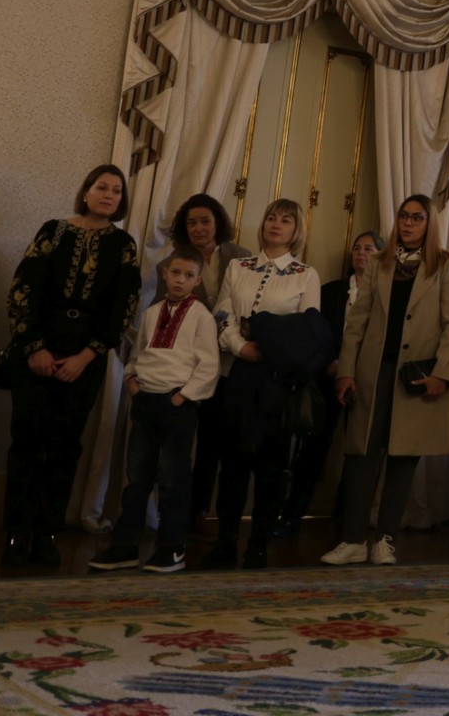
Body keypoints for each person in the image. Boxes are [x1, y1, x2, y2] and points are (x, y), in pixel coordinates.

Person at [0, 163, 142, 570]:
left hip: (85, 360)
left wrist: (85, 357)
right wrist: (35, 348)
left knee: (65, 446)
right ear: (85, 192)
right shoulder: (53, 231)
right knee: (26, 443)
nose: (108, 195)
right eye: (102, 187)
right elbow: (23, 289)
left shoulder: (125, 246)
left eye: (116, 191)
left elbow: (123, 309)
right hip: (36, 353)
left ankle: (46, 533)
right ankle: (15, 533)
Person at [323, 194, 449, 567]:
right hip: (373, 373)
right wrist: (347, 372)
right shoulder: (378, 263)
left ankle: (386, 539)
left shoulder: (445, 266)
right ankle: (353, 539)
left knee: (403, 460)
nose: (408, 223)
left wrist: (441, 374)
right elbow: (357, 322)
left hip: (416, 378)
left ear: (429, 223)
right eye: (404, 216)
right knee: (360, 456)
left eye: (417, 218)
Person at [89, 244, 221, 573]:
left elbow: (208, 366)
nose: (180, 280)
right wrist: (132, 381)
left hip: (177, 404)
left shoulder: (201, 316)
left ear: (197, 280)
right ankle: (125, 546)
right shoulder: (151, 313)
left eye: (188, 275)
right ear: (165, 274)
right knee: (138, 478)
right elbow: (138, 355)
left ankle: (172, 548)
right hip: (146, 401)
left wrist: (183, 397)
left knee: (173, 479)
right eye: (175, 272)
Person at [206, 197, 321, 570]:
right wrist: (240, 347)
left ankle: (258, 546)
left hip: (277, 382)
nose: (276, 224)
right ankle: (225, 543)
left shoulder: (306, 274)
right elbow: (221, 312)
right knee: (233, 462)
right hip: (237, 374)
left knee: (271, 467)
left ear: (296, 230)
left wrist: (269, 349)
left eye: (285, 220)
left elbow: (308, 332)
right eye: (271, 217)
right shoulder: (238, 266)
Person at [279, 229, 381, 534]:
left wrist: (353, 365)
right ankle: (292, 516)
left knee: (357, 452)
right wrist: (333, 363)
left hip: (364, 382)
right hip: (326, 379)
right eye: (357, 248)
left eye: (370, 249)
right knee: (313, 449)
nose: (362, 253)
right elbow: (317, 332)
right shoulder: (331, 291)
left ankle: (345, 519)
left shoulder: (383, 296)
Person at [169, 193, 243, 528]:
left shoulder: (241, 257)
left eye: (205, 221)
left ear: (218, 223)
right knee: (181, 443)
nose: (199, 228)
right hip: (185, 365)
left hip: (228, 365)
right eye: (192, 222)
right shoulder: (174, 261)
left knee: (214, 443)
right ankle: (174, 514)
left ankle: (200, 512)